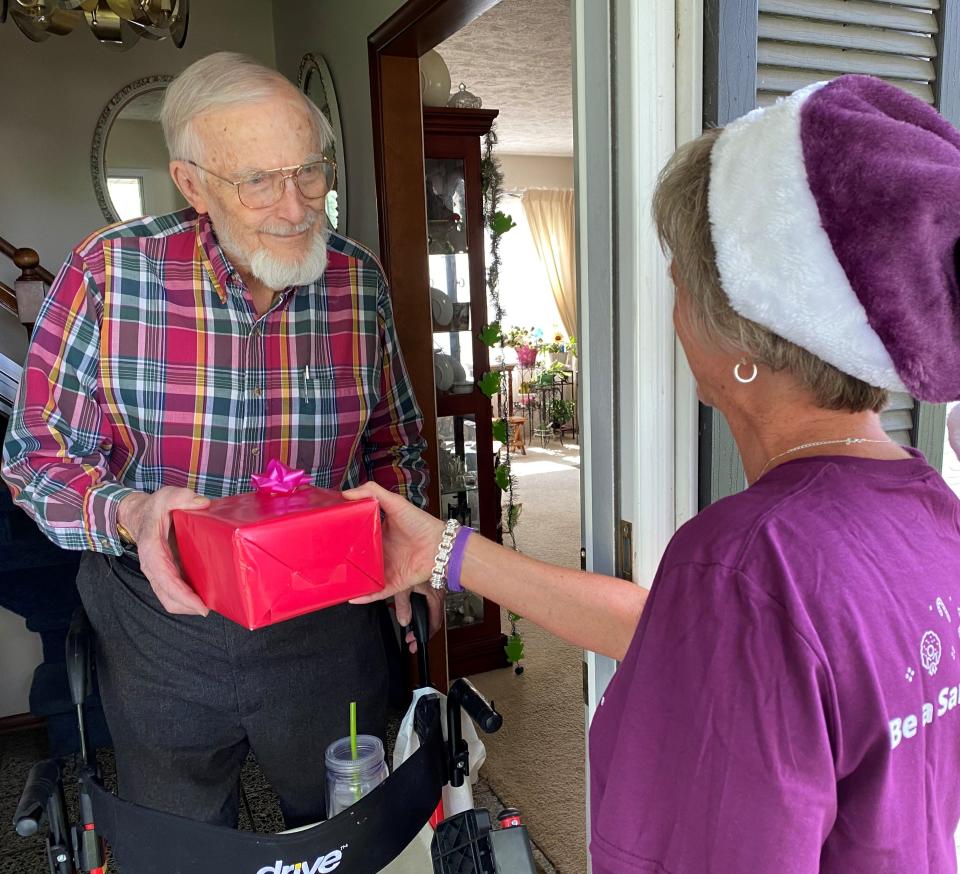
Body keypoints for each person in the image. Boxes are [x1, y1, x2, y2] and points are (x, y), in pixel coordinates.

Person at [348, 75, 960, 873]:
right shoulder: (929, 509)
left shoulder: (745, 565)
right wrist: (441, 551)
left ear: (737, 335)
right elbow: (673, 632)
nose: (671, 311)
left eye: (677, 282)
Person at [2, 52, 433, 831]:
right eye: (259, 180)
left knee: (357, 822)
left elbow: (392, 444)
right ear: (193, 184)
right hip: (160, 624)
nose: (298, 205)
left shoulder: (357, 280)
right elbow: (35, 457)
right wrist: (131, 513)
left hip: (326, 615)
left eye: (311, 171)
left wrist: (410, 547)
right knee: (183, 840)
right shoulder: (109, 273)